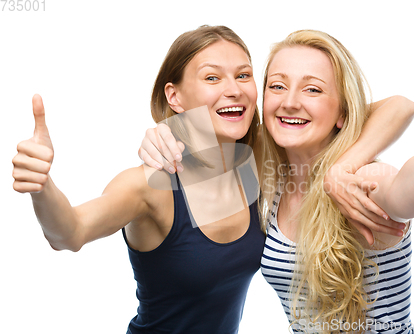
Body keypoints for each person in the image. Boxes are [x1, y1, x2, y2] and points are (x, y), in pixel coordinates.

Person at [12, 25, 266, 334]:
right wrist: (43, 186)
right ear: (174, 96)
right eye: (212, 77)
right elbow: (70, 233)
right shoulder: (148, 186)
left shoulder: (259, 168)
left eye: (243, 75)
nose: (235, 89)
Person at [258, 30, 414, 333]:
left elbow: (400, 193)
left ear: (343, 111)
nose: (289, 101)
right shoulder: (271, 175)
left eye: (312, 90)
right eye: (277, 86)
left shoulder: (359, 181)